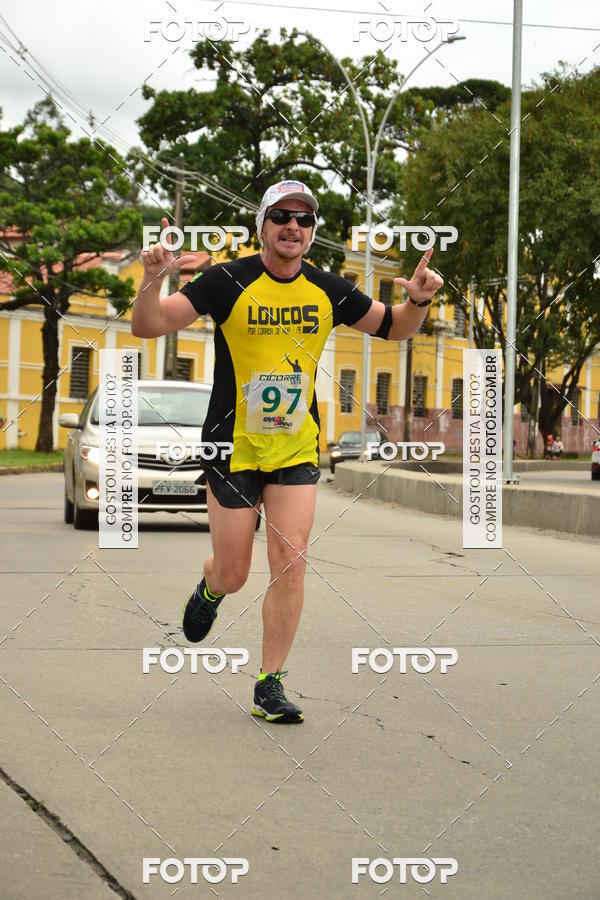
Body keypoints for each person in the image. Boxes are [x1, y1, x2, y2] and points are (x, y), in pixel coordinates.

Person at [132, 179, 443, 723]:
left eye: (304, 218)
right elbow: (149, 324)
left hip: (297, 444)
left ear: (312, 232)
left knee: (291, 562)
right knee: (235, 572)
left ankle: (268, 684)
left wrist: (417, 298)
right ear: (264, 226)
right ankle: (211, 588)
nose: (293, 226)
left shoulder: (329, 289)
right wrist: (151, 281)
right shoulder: (225, 280)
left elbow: (395, 328)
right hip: (232, 444)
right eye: (281, 216)